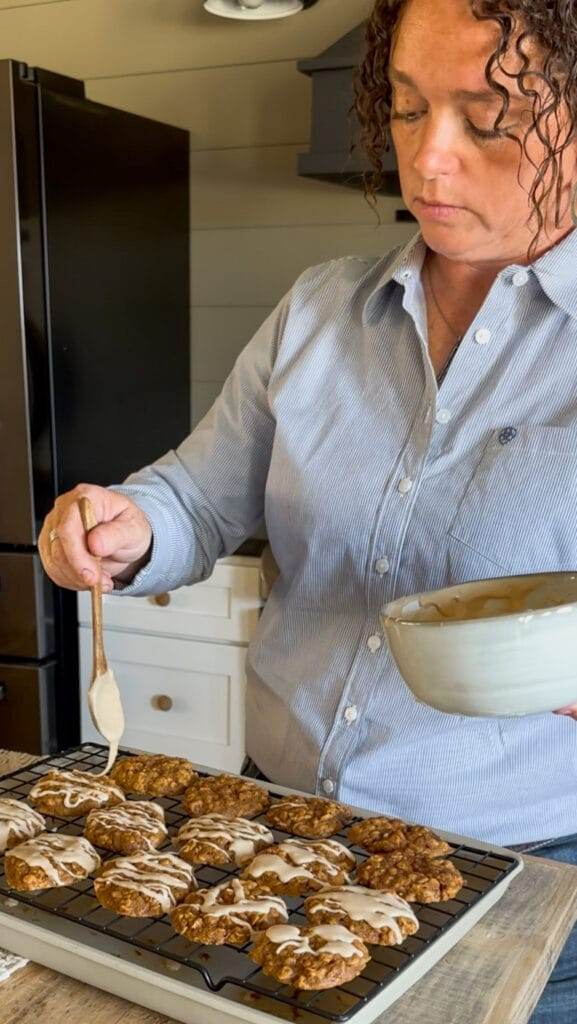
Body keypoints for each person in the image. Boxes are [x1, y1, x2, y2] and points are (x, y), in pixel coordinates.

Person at [40, 1, 577, 1018]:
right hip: (269, 828)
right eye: (408, 109)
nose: (430, 162)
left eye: (488, 116)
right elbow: (199, 494)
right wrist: (128, 524)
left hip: (526, 875)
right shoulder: (320, 309)